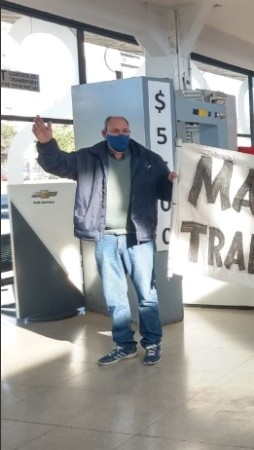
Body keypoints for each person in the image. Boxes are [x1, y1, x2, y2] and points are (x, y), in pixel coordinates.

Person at [32, 115, 176, 366]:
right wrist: (46, 143)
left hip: (139, 237)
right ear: (104, 133)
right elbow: (57, 163)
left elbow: (166, 193)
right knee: (114, 296)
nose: (121, 135)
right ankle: (124, 345)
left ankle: (152, 344)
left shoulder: (148, 160)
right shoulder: (88, 158)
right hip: (106, 238)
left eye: (125, 130)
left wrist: (173, 182)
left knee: (147, 294)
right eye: (115, 130)